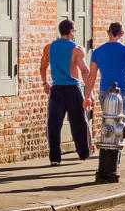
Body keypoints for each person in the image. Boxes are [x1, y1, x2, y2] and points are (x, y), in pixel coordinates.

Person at [39, 19, 91, 166]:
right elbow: (85, 71)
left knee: (54, 125)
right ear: (71, 32)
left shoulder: (49, 48)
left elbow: (42, 68)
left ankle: (55, 158)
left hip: (56, 89)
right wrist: (89, 92)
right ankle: (83, 154)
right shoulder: (77, 49)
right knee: (79, 123)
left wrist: (45, 83)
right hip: (73, 89)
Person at [84, 22, 125, 124]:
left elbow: (92, 76)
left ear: (108, 33)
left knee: (109, 127)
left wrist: (87, 97)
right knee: (122, 129)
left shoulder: (97, 52)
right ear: (122, 34)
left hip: (104, 93)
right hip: (121, 93)